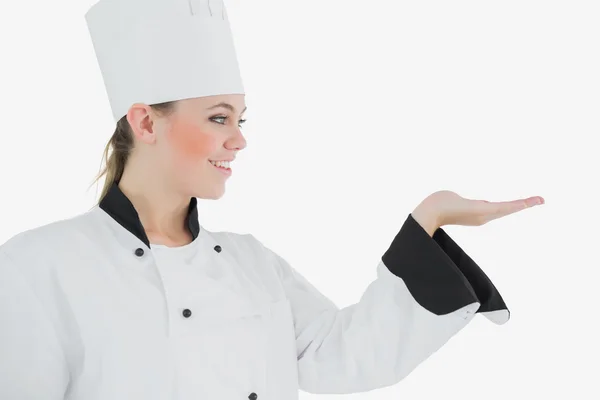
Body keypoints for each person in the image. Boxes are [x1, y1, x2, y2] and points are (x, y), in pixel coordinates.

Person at [0, 0, 545, 399]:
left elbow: (341, 356)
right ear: (145, 121)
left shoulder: (250, 261)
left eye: (240, 120)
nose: (239, 140)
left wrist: (429, 218)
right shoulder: (39, 266)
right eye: (218, 118)